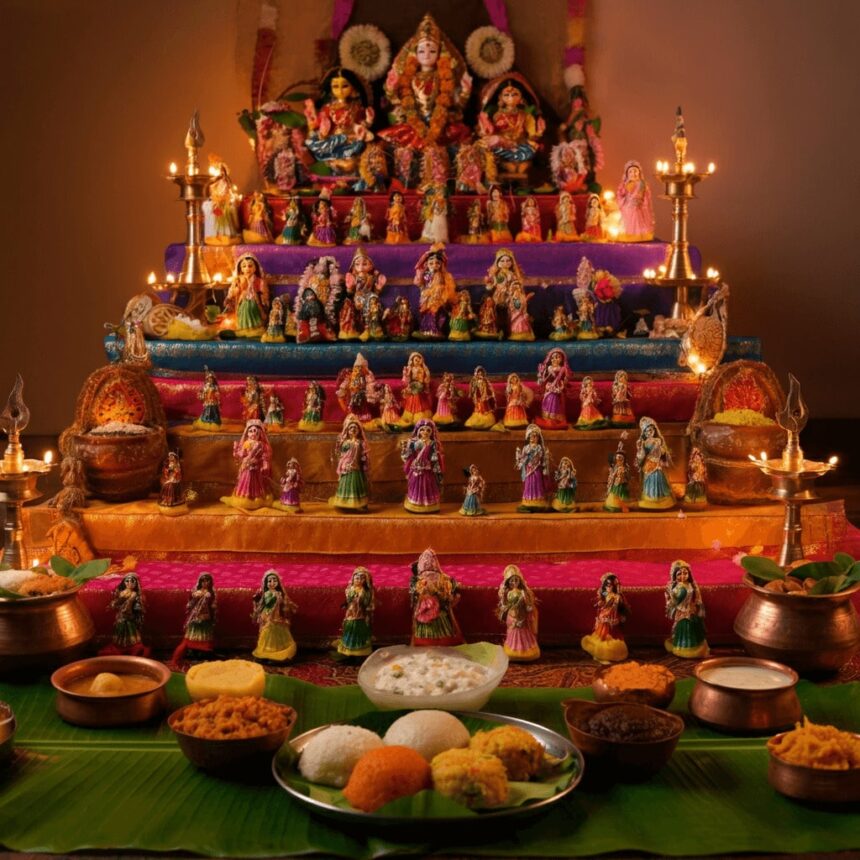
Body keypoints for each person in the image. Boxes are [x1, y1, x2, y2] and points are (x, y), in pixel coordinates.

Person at [379, 13, 471, 151]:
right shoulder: (409, 77)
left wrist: (465, 92)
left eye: (432, 51)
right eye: (422, 51)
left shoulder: (445, 76)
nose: (427, 54)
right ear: (414, 53)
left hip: (441, 126)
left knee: (460, 131)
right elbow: (398, 103)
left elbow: (456, 105)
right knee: (399, 134)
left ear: (439, 53)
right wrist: (391, 89)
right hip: (414, 124)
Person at [303, 67, 374, 177]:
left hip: (351, 142)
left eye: (345, 86)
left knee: (352, 163)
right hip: (332, 142)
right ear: (330, 88)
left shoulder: (356, 107)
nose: (340, 90)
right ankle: (334, 165)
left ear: (353, 87)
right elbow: (320, 127)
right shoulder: (327, 108)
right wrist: (320, 131)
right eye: (335, 86)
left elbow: (362, 126)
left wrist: (368, 121)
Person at [478, 76, 545, 181]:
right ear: (500, 98)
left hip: (521, 147)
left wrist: (539, 132)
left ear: (521, 98)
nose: (511, 98)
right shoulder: (497, 116)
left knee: (526, 158)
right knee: (489, 148)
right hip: (503, 148)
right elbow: (490, 134)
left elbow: (532, 135)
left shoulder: (526, 116)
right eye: (507, 95)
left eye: (515, 94)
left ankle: (515, 172)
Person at [409, 548, 464, 646]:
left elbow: (415, 604)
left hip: (423, 624)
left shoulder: (419, 581)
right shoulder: (444, 580)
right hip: (442, 622)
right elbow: (450, 600)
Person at [221, 419, 273, 511]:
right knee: (244, 480)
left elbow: (264, 457)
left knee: (254, 482)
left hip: (255, 468)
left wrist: (265, 465)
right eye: (250, 431)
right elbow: (241, 454)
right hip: (246, 466)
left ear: (259, 434)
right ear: (247, 433)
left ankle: (254, 497)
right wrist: (236, 450)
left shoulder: (261, 444)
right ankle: (244, 496)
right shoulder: (246, 443)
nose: (253, 433)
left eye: (255, 432)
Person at [581, 573, 630, 662]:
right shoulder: (605, 593)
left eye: (610, 585)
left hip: (612, 617)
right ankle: (600, 652)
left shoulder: (617, 596)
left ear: (614, 586)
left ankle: (609, 653)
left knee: (611, 634)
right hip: (604, 616)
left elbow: (619, 607)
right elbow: (601, 596)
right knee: (601, 633)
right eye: (606, 585)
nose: (608, 587)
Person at [664, 560, 709, 658]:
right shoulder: (676, 588)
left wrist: (698, 605)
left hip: (691, 610)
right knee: (682, 629)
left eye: (685, 573)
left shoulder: (691, 585)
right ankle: (682, 648)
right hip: (681, 612)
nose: (683, 576)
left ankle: (693, 648)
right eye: (679, 574)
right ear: (675, 576)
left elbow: (697, 597)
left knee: (692, 629)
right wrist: (670, 594)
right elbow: (674, 601)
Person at [251, 570, 298, 663]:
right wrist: (256, 601)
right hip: (266, 618)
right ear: (265, 583)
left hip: (276, 619)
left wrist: (286, 607)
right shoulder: (265, 594)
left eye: (274, 580)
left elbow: (285, 606)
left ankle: (276, 656)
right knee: (265, 636)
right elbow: (261, 606)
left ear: (278, 583)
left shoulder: (279, 594)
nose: (272, 583)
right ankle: (266, 655)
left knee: (275, 637)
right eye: (269, 581)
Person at [170, 573, 217, 665]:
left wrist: (211, 601)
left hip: (205, 619)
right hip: (195, 618)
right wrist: (195, 597)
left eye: (207, 581)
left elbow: (213, 605)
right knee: (191, 637)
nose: (205, 583)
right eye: (203, 581)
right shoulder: (196, 592)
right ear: (200, 582)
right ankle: (193, 650)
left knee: (204, 637)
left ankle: (203, 652)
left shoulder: (210, 593)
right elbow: (190, 604)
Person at [100, 573, 150, 657]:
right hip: (121, 616)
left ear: (136, 583)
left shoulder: (135, 594)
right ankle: (120, 646)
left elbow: (138, 606)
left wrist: (137, 607)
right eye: (127, 581)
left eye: (132, 581)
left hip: (130, 616)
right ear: (124, 582)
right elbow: (117, 602)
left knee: (131, 630)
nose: (129, 583)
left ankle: (132, 646)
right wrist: (112, 605)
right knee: (120, 629)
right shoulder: (121, 592)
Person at [401, 418, 445, 513]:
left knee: (428, 484)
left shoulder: (433, 443)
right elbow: (407, 455)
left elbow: (434, 457)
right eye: (422, 429)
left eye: (428, 430)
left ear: (432, 432)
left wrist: (436, 465)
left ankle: (428, 503)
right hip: (416, 467)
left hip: (427, 468)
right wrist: (405, 448)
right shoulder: (414, 442)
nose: (425, 432)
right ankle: (415, 502)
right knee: (415, 484)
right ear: (418, 431)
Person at [413, 243, 456, 339]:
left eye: (437, 263)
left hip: (438, 297)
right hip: (427, 296)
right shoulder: (426, 274)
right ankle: (426, 329)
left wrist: (440, 292)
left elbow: (445, 287)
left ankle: (435, 330)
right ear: (426, 264)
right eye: (431, 263)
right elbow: (422, 284)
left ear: (441, 265)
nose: (434, 265)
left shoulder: (443, 275)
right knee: (427, 314)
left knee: (437, 314)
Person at [497, 564, 539, 661]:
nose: (514, 583)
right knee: (514, 634)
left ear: (520, 581)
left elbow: (529, 605)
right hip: (512, 616)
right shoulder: (507, 593)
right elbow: (504, 605)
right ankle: (513, 649)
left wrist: (528, 607)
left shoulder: (523, 592)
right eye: (512, 581)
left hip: (522, 616)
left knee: (523, 633)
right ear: (508, 582)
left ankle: (526, 650)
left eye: (516, 580)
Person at [330, 414, 371, 512]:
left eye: (355, 428)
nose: (353, 429)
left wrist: (365, 460)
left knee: (357, 485)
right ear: (347, 431)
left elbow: (364, 455)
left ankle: (359, 504)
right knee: (346, 484)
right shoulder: (346, 442)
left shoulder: (361, 442)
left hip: (357, 467)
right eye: (351, 428)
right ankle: (344, 504)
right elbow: (340, 452)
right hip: (346, 467)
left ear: (359, 430)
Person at [636, 416, 675, 509]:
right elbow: (641, 455)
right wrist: (639, 448)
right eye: (648, 431)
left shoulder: (658, 440)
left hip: (657, 464)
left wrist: (664, 452)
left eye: (651, 430)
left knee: (659, 479)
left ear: (654, 430)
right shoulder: (644, 443)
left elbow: (662, 452)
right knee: (650, 480)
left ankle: (660, 499)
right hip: (649, 464)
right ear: (644, 433)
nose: (650, 432)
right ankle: (650, 499)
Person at [336, 567, 375, 657]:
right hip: (351, 612)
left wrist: (362, 596)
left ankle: (361, 649)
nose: (359, 580)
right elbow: (349, 599)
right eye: (357, 578)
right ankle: (348, 648)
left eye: (362, 578)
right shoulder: (350, 589)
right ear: (353, 579)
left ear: (366, 580)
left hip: (361, 614)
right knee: (350, 627)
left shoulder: (366, 591)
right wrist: (352, 595)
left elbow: (366, 603)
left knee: (359, 628)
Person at [229, 254, 269, 338]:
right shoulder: (239, 279)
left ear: (255, 268)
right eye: (244, 266)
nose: (247, 268)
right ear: (241, 269)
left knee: (253, 312)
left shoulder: (258, 280)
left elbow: (263, 290)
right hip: (242, 301)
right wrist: (234, 292)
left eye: (250, 266)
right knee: (243, 313)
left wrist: (263, 297)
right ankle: (243, 327)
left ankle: (254, 327)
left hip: (254, 301)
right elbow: (233, 291)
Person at [617, 160, 655, 241]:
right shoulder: (624, 184)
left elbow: (646, 197)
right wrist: (623, 200)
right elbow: (620, 194)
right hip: (627, 207)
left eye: (635, 171)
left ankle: (638, 235)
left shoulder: (643, 184)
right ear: (627, 174)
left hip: (639, 207)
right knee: (627, 219)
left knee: (637, 219)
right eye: (630, 172)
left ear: (639, 173)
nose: (633, 173)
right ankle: (628, 234)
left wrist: (644, 205)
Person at [515, 424, 551, 512]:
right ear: (528, 437)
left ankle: (538, 500)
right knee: (529, 483)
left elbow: (541, 457)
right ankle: (528, 501)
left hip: (537, 468)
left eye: (535, 437)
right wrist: (519, 459)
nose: (533, 438)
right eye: (531, 436)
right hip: (529, 469)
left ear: (538, 438)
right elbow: (523, 458)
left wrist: (545, 460)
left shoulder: (539, 448)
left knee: (537, 483)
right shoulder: (526, 448)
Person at [536, 347, 570, 429]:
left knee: (556, 401)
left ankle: (556, 418)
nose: (555, 359)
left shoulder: (563, 369)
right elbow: (543, 380)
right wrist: (540, 375)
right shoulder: (548, 368)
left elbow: (565, 381)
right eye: (553, 357)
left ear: (561, 359)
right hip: (549, 388)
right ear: (550, 359)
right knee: (549, 400)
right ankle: (548, 418)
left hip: (558, 388)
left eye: (557, 357)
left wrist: (563, 384)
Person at [399, 351, 433, 426]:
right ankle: (410, 417)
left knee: (419, 401)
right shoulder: (410, 369)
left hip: (419, 389)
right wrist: (405, 374)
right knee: (411, 402)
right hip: (412, 388)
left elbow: (423, 379)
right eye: (415, 360)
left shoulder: (422, 369)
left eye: (419, 360)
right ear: (412, 361)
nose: (417, 362)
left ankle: (419, 417)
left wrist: (423, 381)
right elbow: (406, 380)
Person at [604, 441, 632, 512]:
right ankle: (613, 505)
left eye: (621, 459)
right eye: (617, 459)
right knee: (614, 495)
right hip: (616, 484)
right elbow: (612, 476)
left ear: (623, 460)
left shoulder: (625, 468)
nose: (619, 460)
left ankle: (621, 506)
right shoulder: (615, 467)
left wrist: (625, 475)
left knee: (621, 496)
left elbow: (628, 476)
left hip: (622, 484)